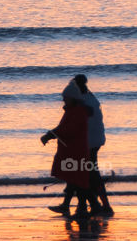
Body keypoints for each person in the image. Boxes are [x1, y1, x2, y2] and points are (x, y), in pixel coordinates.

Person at [54, 74, 114, 217]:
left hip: (88, 143)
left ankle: (97, 206)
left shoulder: (82, 105)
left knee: (85, 174)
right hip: (95, 140)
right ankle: (80, 205)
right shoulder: (90, 98)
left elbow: (77, 126)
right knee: (84, 173)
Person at [40, 86, 94, 220]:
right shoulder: (72, 111)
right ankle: (70, 205)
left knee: (78, 182)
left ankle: (82, 208)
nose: (63, 99)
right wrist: (51, 134)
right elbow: (63, 128)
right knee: (73, 180)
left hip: (76, 151)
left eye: (65, 97)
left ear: (72, 98)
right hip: (72, 150)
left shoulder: (77, 112)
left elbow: (69, 130)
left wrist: (51, 135)